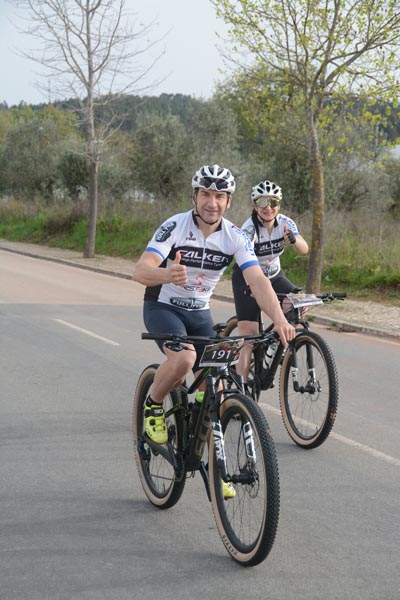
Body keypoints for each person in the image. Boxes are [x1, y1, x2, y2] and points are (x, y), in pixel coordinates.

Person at [133, 165, 295, 462]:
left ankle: (211, 465)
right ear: (194, 196)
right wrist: (167, 274)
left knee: (215, 389)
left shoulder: (235, 236)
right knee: (184, 359)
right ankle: (153, 404)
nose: (212, 203)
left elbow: (258, 280)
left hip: (200, 314)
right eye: (206, 194)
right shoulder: (175, 226)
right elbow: (141, 270)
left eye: (219, 196)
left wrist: (280, 319)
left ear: (228, 201)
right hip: (164, 307)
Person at [231, 179, 309, 383]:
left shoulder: (285, 223)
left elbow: (304, 249)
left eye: (273, 202)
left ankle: (274, 343)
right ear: (255, 205)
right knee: (249, 335)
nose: (268, 207)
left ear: (279, 205)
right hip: (248, 277)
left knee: (299, 304)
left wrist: (293, 239)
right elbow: (243, 257)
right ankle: (240, 389)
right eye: (262, 202)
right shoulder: (249, 229)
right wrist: (254, 289)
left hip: (274, 275)